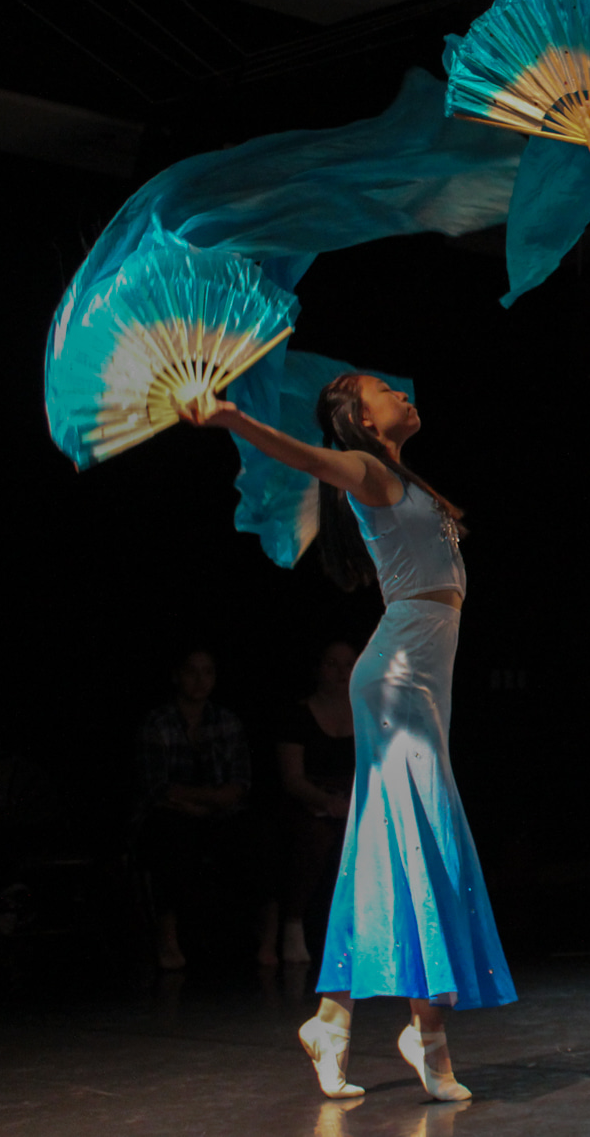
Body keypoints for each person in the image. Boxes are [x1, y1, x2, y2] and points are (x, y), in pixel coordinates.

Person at [184, 373, 511, 1102]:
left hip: (418, 676)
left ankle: (335, 1022)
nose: (401, 391)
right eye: (383, 389)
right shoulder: (363, 468)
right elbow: (307, 457)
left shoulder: (400, 474)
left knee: (387, 854)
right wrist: (233, 417)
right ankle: (426, 1033)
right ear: (362, 418)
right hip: (397, 680)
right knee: (426, 845)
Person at [133, 648, 274, 971]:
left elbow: (239, 783)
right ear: (177, 675)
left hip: (219, 812)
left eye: (207, 672)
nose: (199, 680)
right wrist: (201, 800)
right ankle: (168, 941)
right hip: (173, 812)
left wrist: (209, 801)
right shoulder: (158, 721)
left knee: (258, 835)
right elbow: (158, 785)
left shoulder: (226, 720)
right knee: (168, 838)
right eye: (191, 672)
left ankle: (266, 940)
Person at [274, 640, 358, 967]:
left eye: (349, 665)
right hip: (310, 798)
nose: (341, 672)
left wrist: (351, 801)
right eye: (332, 664)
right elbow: (292, 778)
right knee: (313, 836)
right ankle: (293, 925)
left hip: (354, 798)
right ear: (318, 668)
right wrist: (326, 801)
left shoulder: (367, 713)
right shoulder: (298, 714)